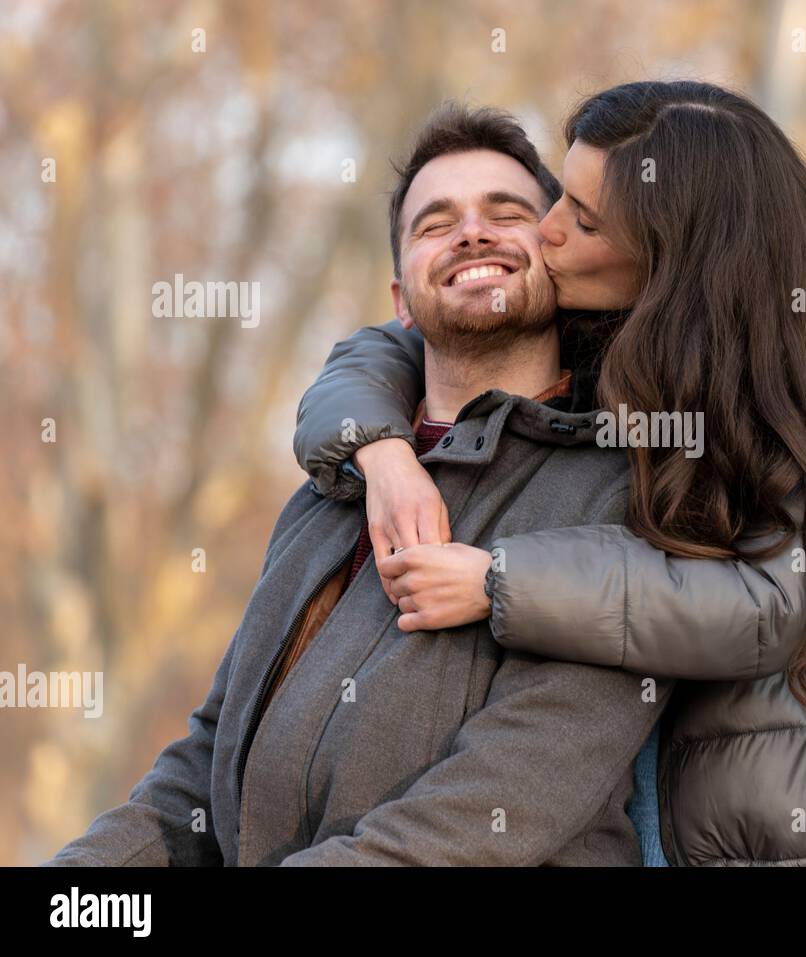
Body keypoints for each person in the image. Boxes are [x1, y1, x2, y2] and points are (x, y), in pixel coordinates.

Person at [294, 81, 806, 866]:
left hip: (785, 832)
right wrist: (382, 455)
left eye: (583, 220)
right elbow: (380, 347)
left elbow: (776, 599)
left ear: (674, 251)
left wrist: (497, 581)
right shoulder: (621, 329)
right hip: (633, 804)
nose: (548, 232)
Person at [44, 102, 674, 867]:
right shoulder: (326, 498)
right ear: (400, 299)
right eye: (435, 224)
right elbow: (205, 771)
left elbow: (487, 812)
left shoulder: (624, 490)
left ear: (560, 260)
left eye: (507, 213)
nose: (472, 232)